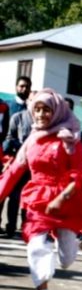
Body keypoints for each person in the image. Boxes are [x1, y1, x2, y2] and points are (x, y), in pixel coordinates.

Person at [0, 88, 82, 290]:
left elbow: (80, 175)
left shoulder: (70, 139)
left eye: (46, 110)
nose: (41, 114)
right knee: (36, 246)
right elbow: (13, 172)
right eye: (37, 110)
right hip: (38, 199)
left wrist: (61, 198)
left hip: (67, 200)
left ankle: (63, 241)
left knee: (66, 259)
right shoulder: (32, 141)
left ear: (57, 111)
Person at [2, 76, 33, 238]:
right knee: (2, 191)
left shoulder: (34, 110)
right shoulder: (7, 106)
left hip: (27, 160)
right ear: (16, 87)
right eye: (21, 86)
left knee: (17, 196)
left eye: (27, 86)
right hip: (7, 157)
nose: (24, 89)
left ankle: (13, 227)